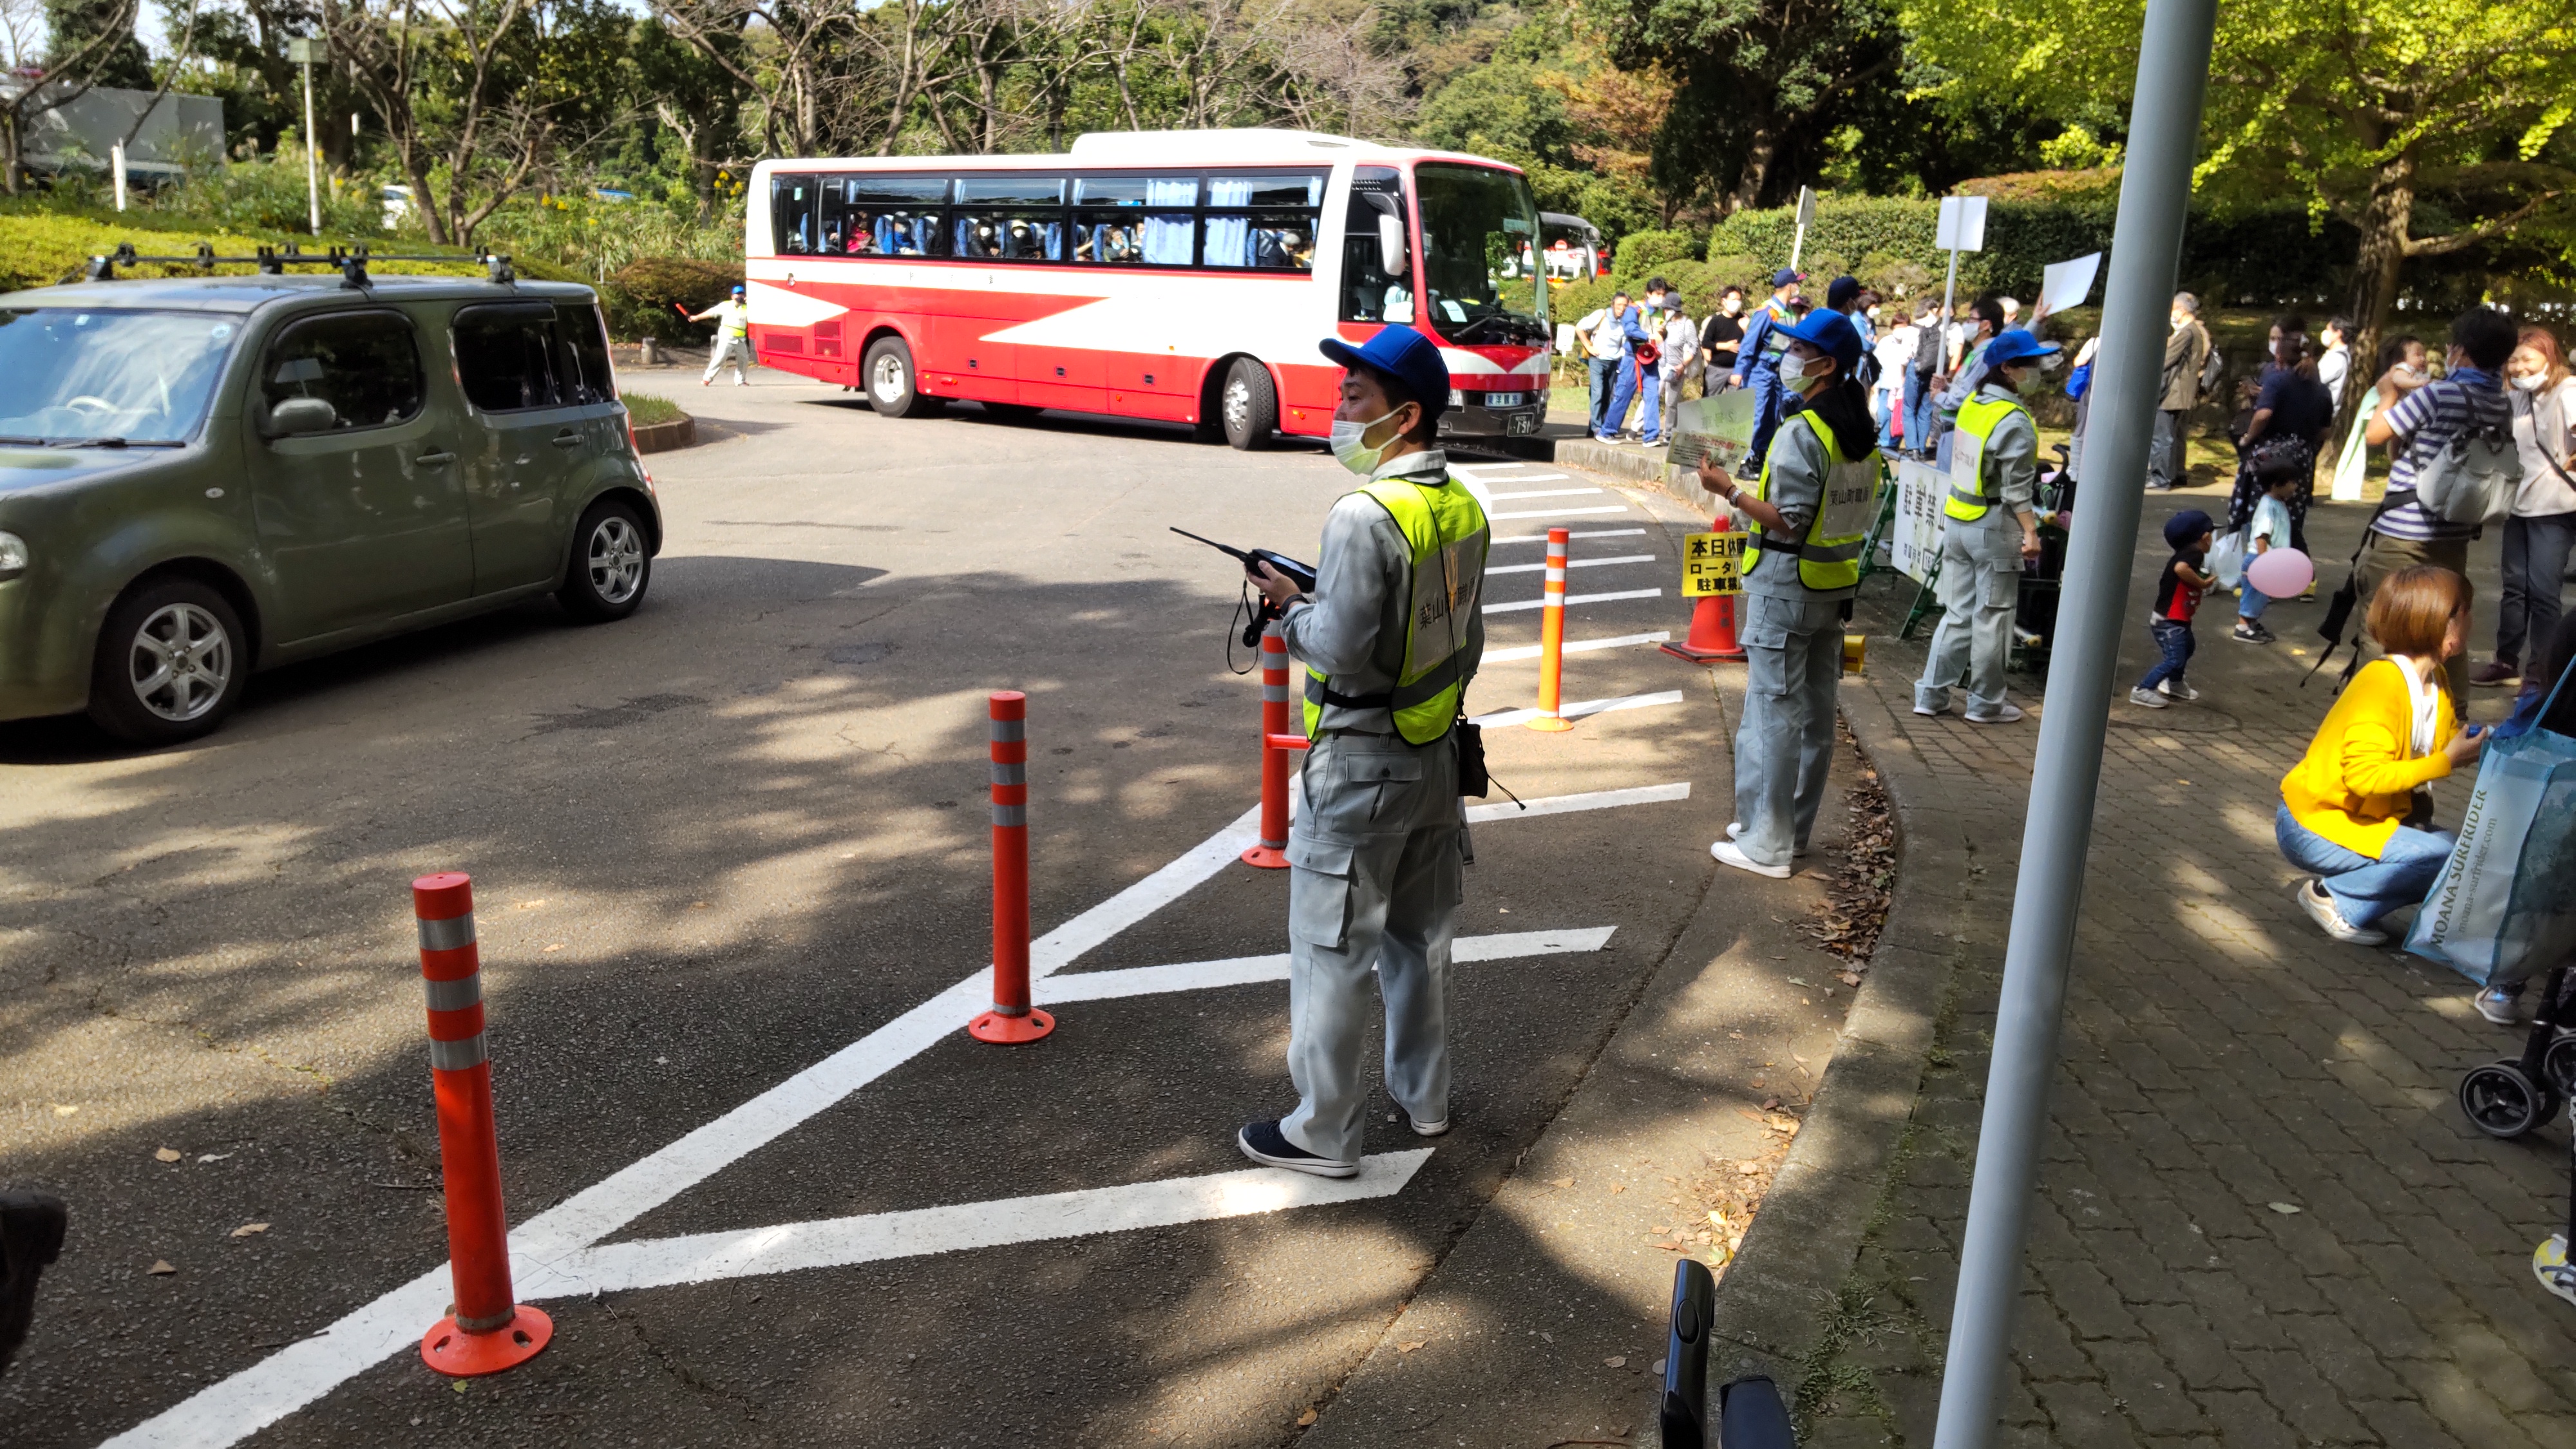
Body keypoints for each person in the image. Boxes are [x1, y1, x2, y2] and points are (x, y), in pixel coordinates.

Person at [1237, 325, 1488, 1179]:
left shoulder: (1364, 511)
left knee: (1331, 950)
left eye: (1358, 394)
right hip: (1433, 756)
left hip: (1360, 764)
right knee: (1419, 943)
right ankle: (1424, 1100)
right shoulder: (1461, 506)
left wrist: (1288, 607)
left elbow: (1340, 648)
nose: (1341, 404)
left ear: (1404, 414)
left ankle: (1324, 1132)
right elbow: (1455, 634)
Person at [1695, 308, 1880, 878]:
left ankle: (1767, 845)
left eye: (1800, 351)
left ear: (1825, 366)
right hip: (1832, 589)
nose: (1789, 358)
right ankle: (1783, 830)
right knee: (1814, 717)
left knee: (1771, 715)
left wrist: (1729, 491)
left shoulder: (1805, 431)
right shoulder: (1858, 432)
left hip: (1787, 587)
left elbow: (1790, 519)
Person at [2277, 565, 2485, 945]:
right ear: (2446, 624)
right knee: (2442, 855)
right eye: (2466, 612)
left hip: (2362, 819)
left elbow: (2443, 743)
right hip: (2315, 825)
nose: (2473, 621)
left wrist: (2485, 744)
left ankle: (2343, 893)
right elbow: (2365, 777)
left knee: (2466, 856)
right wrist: (2449, 761)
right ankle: (2335, 899)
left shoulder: (2435, 680)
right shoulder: (2381, 682)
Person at [2358, 306, 2518, 697]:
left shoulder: (2438, 394)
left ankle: (2382, 710)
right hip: (2455, 533)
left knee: (2385, 627)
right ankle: (2454, 715)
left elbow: (2376, 434)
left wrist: (2388, 394)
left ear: (2459, 351)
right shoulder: (2501, 403)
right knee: (2448, 626)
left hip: (2404, 533)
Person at [1913, 328, 2055, 723]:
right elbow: (2017, 489)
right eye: (2031, 365)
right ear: (2008, 369)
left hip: (1959, 518)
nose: (2038, 371)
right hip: (1995, 525)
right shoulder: (2015, 420)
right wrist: (2031, 532)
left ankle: (1931, 694)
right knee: (1993, 616)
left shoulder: (1975, 403)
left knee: (1957, 613)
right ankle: (1985, 703)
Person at [2473, 327, 2576, 688]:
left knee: (2544, 592)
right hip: (2519, 506)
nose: (2519, 367)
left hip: (2557, 508)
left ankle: (2543, 670)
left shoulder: (2568, 391)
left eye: (2527, 359)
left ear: (2549, 356)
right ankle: (2505, 661)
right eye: (2513, 360)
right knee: (2514, 588)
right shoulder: (2516, 397)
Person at [2230, 335, 2334, 553]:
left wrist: (2247, 438)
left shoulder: (2277, 381)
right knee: (2291, 517)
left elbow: (2263, 415)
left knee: (2261, 513)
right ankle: (2292, 566)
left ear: (2279, 357)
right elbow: (2325, 430)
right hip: (2302, 459)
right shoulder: (2321, 390)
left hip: (2271, 456)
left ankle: (2258, 563)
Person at [2130, 510, 2215, 706]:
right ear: (2206, 537)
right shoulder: (2194, 553)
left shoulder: (2186, 552)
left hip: (2176, 618)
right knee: (2175, 658)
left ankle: (2175, 683)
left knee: (2187, 647)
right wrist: (2202, 584)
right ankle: (2142, 689)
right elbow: (2181, 570)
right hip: (2168, 620)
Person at [2331, 335, 2428, 502]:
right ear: (2398, 359)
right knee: (2395, 442)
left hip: (2405, 416)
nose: (2423, 358)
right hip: (2397, 410)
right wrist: (2420, 385)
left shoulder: (2418, 373)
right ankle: (2396, 463)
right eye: (2417, 354)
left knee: (2399, 442)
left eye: (2423, 354)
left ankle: (2396, 464)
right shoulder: (2401, 369)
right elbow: (2399, 380)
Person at [1731, 268, 1802, 468]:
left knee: (1773, 416)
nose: (1799, 287)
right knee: (1756, 414)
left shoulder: (1788, 310)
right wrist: (1739, 371)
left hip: (1780, 372)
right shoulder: (1767, 311)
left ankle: (1760, 456)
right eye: (1797, 283)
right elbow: (1749, 342)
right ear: (1789, 285)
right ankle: (1743, 460)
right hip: (1761, 370)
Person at [2148, 292, 2212, 491]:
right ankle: (2177, 474)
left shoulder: (2186, 333)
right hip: (2185, 393)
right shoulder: (2197, 331)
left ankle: (2161, 477)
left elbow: (2167, 359)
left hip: (2173, 394)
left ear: (2181, 311)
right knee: (2177, 436)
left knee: (2162, 437)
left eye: (2173, 310)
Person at [2233, 468, 2299, 644]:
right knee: (2253, 595)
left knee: (2261, 596)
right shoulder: (2268, 506)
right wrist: (2265, 562)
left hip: (2268, 559)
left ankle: (2251, 624)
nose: (2296, 486)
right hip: (2259, 559)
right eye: (2292, 483)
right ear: (2277, 485)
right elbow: (2262, 535)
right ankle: (2243, 628)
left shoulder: (2279, 502)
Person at [1575, 292, 1642, 438]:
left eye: (1625, 306)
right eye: (1619, 305)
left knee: (1607, 395)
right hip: (1597, 360)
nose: (1622, 308)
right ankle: (1597, 427)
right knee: (1597, 393)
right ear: (1613, 305)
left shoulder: (1627, 321)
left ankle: (1595, 426)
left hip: (1614, 362)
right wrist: (1589, 346)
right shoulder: (1602, 315)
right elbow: (1579, 328)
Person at [1653, 289, 1701, 447]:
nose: (1665, 312)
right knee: (1654, 397)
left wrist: (1682, 365)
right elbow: (1657, 344)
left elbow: (1693, 347)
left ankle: (1669, 433)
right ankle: (1649, 431)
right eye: (1664, 309)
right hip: (1660, 366)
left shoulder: (1687, 324)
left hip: (1677, 368)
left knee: (1671, 402)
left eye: (1668, 309)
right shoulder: (1663, 324)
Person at [1871, 308, 1918, 451]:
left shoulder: (1913, 342)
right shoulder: (1886, 342)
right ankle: (1884, 443)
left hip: (1904, 386)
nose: (1900, 330)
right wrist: (1875, 384)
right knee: (1884, 415)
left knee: (1899, 416)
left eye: (1904, 327)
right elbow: (1876, 362)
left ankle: (1894, 443)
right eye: (1897, 327)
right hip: (1885, 383)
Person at [692, 285, 753, 387]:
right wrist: (697, 317)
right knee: (720, 357)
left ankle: (740, 380)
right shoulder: (726, 305)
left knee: (744, 359)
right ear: (733, 296)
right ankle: (707, 378)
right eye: (738, 294)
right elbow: (712, 312)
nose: (740, 296)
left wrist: (752, 304)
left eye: (742, 294)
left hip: (740, 338)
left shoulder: (747, 307)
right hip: (727, 336)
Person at [1905, 299, 1944, 458]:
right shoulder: (1941, 327)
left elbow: (1904, 357)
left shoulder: (1912, 329)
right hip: (1933, 370)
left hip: (1915, 368)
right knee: (1926, 410)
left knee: (1909, 408)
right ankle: (1921, 448)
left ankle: (1912, 447)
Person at [1703, 287, 1747, 386]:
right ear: (1724, 301)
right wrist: (1726, 346)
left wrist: (1746, 329)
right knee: (1711, 400)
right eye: (1733, 300)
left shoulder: (1744, 320)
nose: (1737, 303)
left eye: (1739, 300)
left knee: (1736, 400)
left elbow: (1751, 343)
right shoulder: (1715, 321)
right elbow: (1706, 343)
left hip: (1737, 370)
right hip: (1717, 369)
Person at [2317, 316, 2355, 411]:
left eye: (2328, 330)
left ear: (2338, 334)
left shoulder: (2337, 359)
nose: (2324, 333)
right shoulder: (2337, 355)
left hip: (2321, 412)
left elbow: (2315, 380)